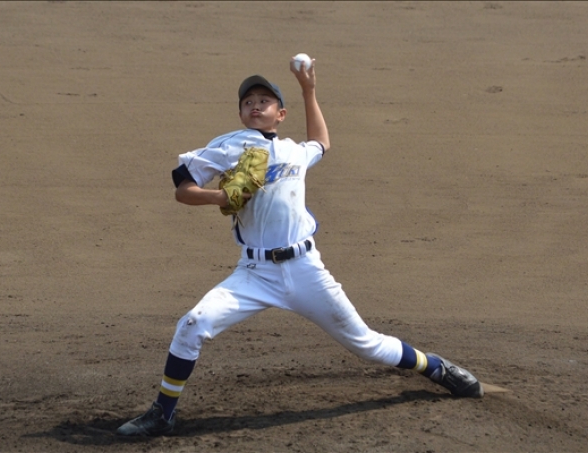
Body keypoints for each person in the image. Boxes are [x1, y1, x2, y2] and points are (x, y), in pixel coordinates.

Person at [117, 58, 484, 437]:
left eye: (264, 101)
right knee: (192, 324)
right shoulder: (228, 145)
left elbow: (321, 143)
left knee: (367, 345)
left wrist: (309, 90)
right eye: (248, 102)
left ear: (281, 114)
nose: (255, 106)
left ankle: (435, 367)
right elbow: (183, 190)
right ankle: (162, 413)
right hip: (254, 274)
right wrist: (219, 197)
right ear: (240, 113)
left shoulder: (294, 151)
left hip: (306, 269)